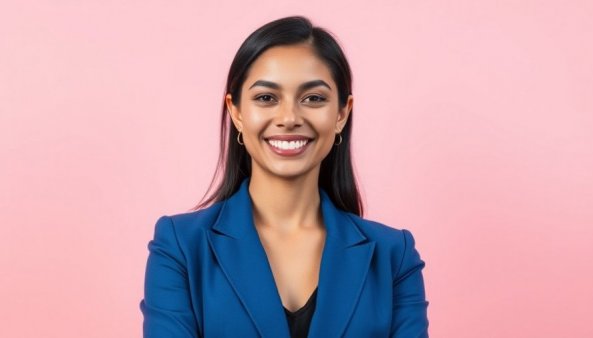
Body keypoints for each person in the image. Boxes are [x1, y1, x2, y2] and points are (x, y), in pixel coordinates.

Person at [140, 16, 429, 338]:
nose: (289, 118)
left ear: (341, 114)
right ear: (236, 112)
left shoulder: (392, 255)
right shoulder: (180, 246)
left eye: (313, 98)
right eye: (266, 98)